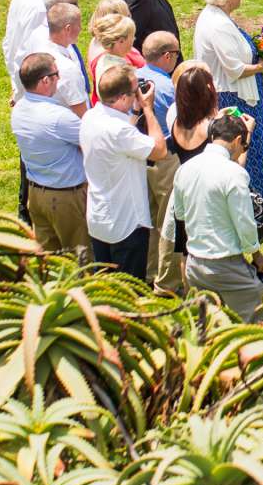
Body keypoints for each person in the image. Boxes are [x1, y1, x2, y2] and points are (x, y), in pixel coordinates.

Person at [165, 110, 263, 321]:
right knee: (255, 327)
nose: (242, 150)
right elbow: (244, 222)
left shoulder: (185, 169)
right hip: (226, 265)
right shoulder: (234, 174)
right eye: (244, 146)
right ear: (238, 140)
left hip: (195, 264)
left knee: (207, 326)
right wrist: (257, 255)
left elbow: (180, 216)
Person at [78, 61, 169, 280]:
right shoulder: (119, 131)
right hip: (126, 223)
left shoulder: (91, 117)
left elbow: (123, 133)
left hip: (100, 218)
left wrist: (135, 110)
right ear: (121, 98)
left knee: (104, 287)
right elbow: (159, 150)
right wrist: (147, 108)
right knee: (129, 290)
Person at [193, 0, 263, 202]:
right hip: (233, 96)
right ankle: (251, 199)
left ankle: (252, 196)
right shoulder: (217, 24)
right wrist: (262, 66)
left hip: (236, 92)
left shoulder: (217, 16)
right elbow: (234, 69)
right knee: (244, 144)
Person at [10, 51, 89, 255]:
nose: (59, 79)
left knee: (48, 260)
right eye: (56, 74)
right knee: (79, 257)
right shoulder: (59, 117)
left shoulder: (18, 110)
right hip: (66, 198)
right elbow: (91, 143)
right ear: (45, 81)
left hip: (36, 195)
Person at [159, 58, 218, 293]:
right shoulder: (211, 127)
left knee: (184, 247)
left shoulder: (176, 123)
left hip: (183, 191)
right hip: (205, 192)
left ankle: (188, 291)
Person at [140, 33, 182, 288]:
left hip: (139, 155)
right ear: (167, 56)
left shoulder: (133, 75)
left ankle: (148, 272)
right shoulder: (167, 88)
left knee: (148, 217)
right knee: (169, 222)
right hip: (165, 157)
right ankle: (167, 280)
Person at [3, 0, 63, 94]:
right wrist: (19, 91)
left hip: (19, 77)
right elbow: (27, 52)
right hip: (31, 86)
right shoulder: (39, 8)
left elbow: (9, 42)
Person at [45, 0, 90, 112]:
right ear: (68, 29)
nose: (80, 29)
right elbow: (81, 113)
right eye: (79, 25)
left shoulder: (40, 49)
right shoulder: (67, 69)